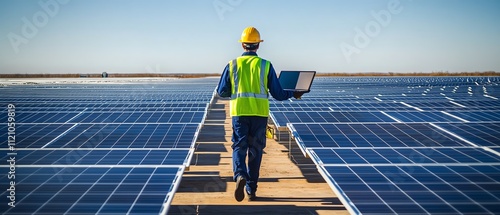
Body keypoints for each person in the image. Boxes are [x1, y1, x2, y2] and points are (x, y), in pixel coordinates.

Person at [216, 26, 304, 202]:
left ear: (243, 45)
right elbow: (278, 94)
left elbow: (221, 92)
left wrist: (234, 91)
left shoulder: (232, 65)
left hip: (239, 114)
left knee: (239, 147)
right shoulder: (265, 65)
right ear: (258, 45)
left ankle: (239, 175)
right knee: (255, 151)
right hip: (259, 114)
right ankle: (251, 189)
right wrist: (293, 93)